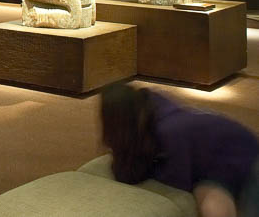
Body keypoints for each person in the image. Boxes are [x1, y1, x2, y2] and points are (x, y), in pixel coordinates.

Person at [101, 82, 259, 217]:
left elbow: (178, 179)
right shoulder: (149, 109)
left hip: (243, 156)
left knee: (215, 206)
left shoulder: (169, 131)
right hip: (213, 161)